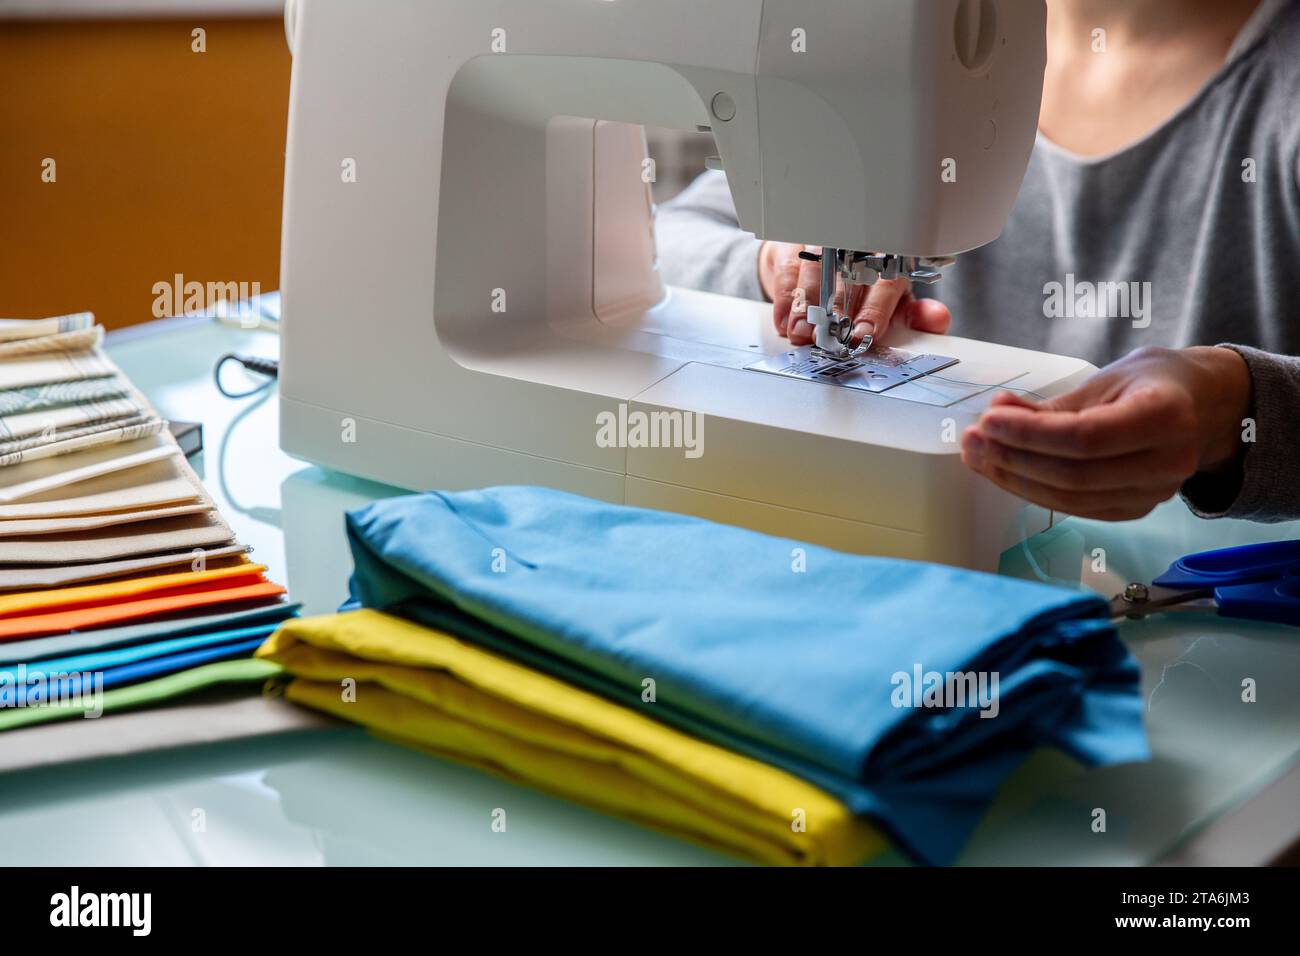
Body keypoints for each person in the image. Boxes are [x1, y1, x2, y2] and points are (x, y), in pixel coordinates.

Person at [655, 0, 1300, 523]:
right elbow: (673, 232)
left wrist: (1236, 405)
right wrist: (779, 261)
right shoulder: (916, 40)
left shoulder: (1279, 98)